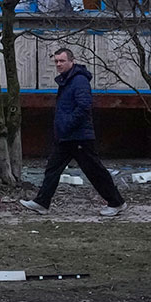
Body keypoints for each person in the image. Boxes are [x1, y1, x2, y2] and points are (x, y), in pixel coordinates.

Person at [20, 46, 126, 217]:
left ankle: (116, 202)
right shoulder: (67, 80)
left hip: (79, 136)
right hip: (67, 136)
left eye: (62, 61)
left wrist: (67, 124)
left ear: (71, 61)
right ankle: (42, 202)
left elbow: (84, 106)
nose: (58, 64)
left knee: (94, 170)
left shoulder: (79, 81)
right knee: (53, 168)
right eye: (56, 61)